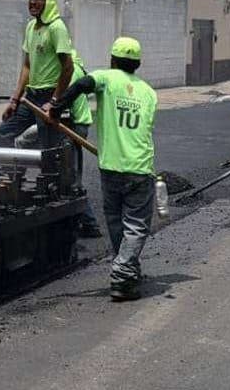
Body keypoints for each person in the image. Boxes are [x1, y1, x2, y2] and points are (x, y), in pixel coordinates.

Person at [47, 37, 158, 301]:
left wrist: (57, 106)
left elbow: (82, 84)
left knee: (116, 222)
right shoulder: (150, 93)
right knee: (136, 226)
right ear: (138, 64)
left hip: (111, 167)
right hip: (140, 167)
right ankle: (123, 272)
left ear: (112, 59)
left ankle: (125, 270)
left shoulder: (106, 78)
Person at [15, 50, 103, 238]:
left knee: (67, 175)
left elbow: (60, 105)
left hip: (71, 125)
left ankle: (89, 223)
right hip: (73, 123)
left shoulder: (69, 73)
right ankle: (81, 221)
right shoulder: (75, 68)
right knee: (67, 173)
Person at [0, 0, 74, 150]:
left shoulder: (56, 28)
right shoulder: (31, 27)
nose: (33, 2)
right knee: (3, 132)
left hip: (49, 96)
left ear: (49, 2)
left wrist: (54, 101)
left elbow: (68, 68)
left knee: (48, 149)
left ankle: (50, 175)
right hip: (31, 97)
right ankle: (10, 175)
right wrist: (15, 100)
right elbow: (27, 66)